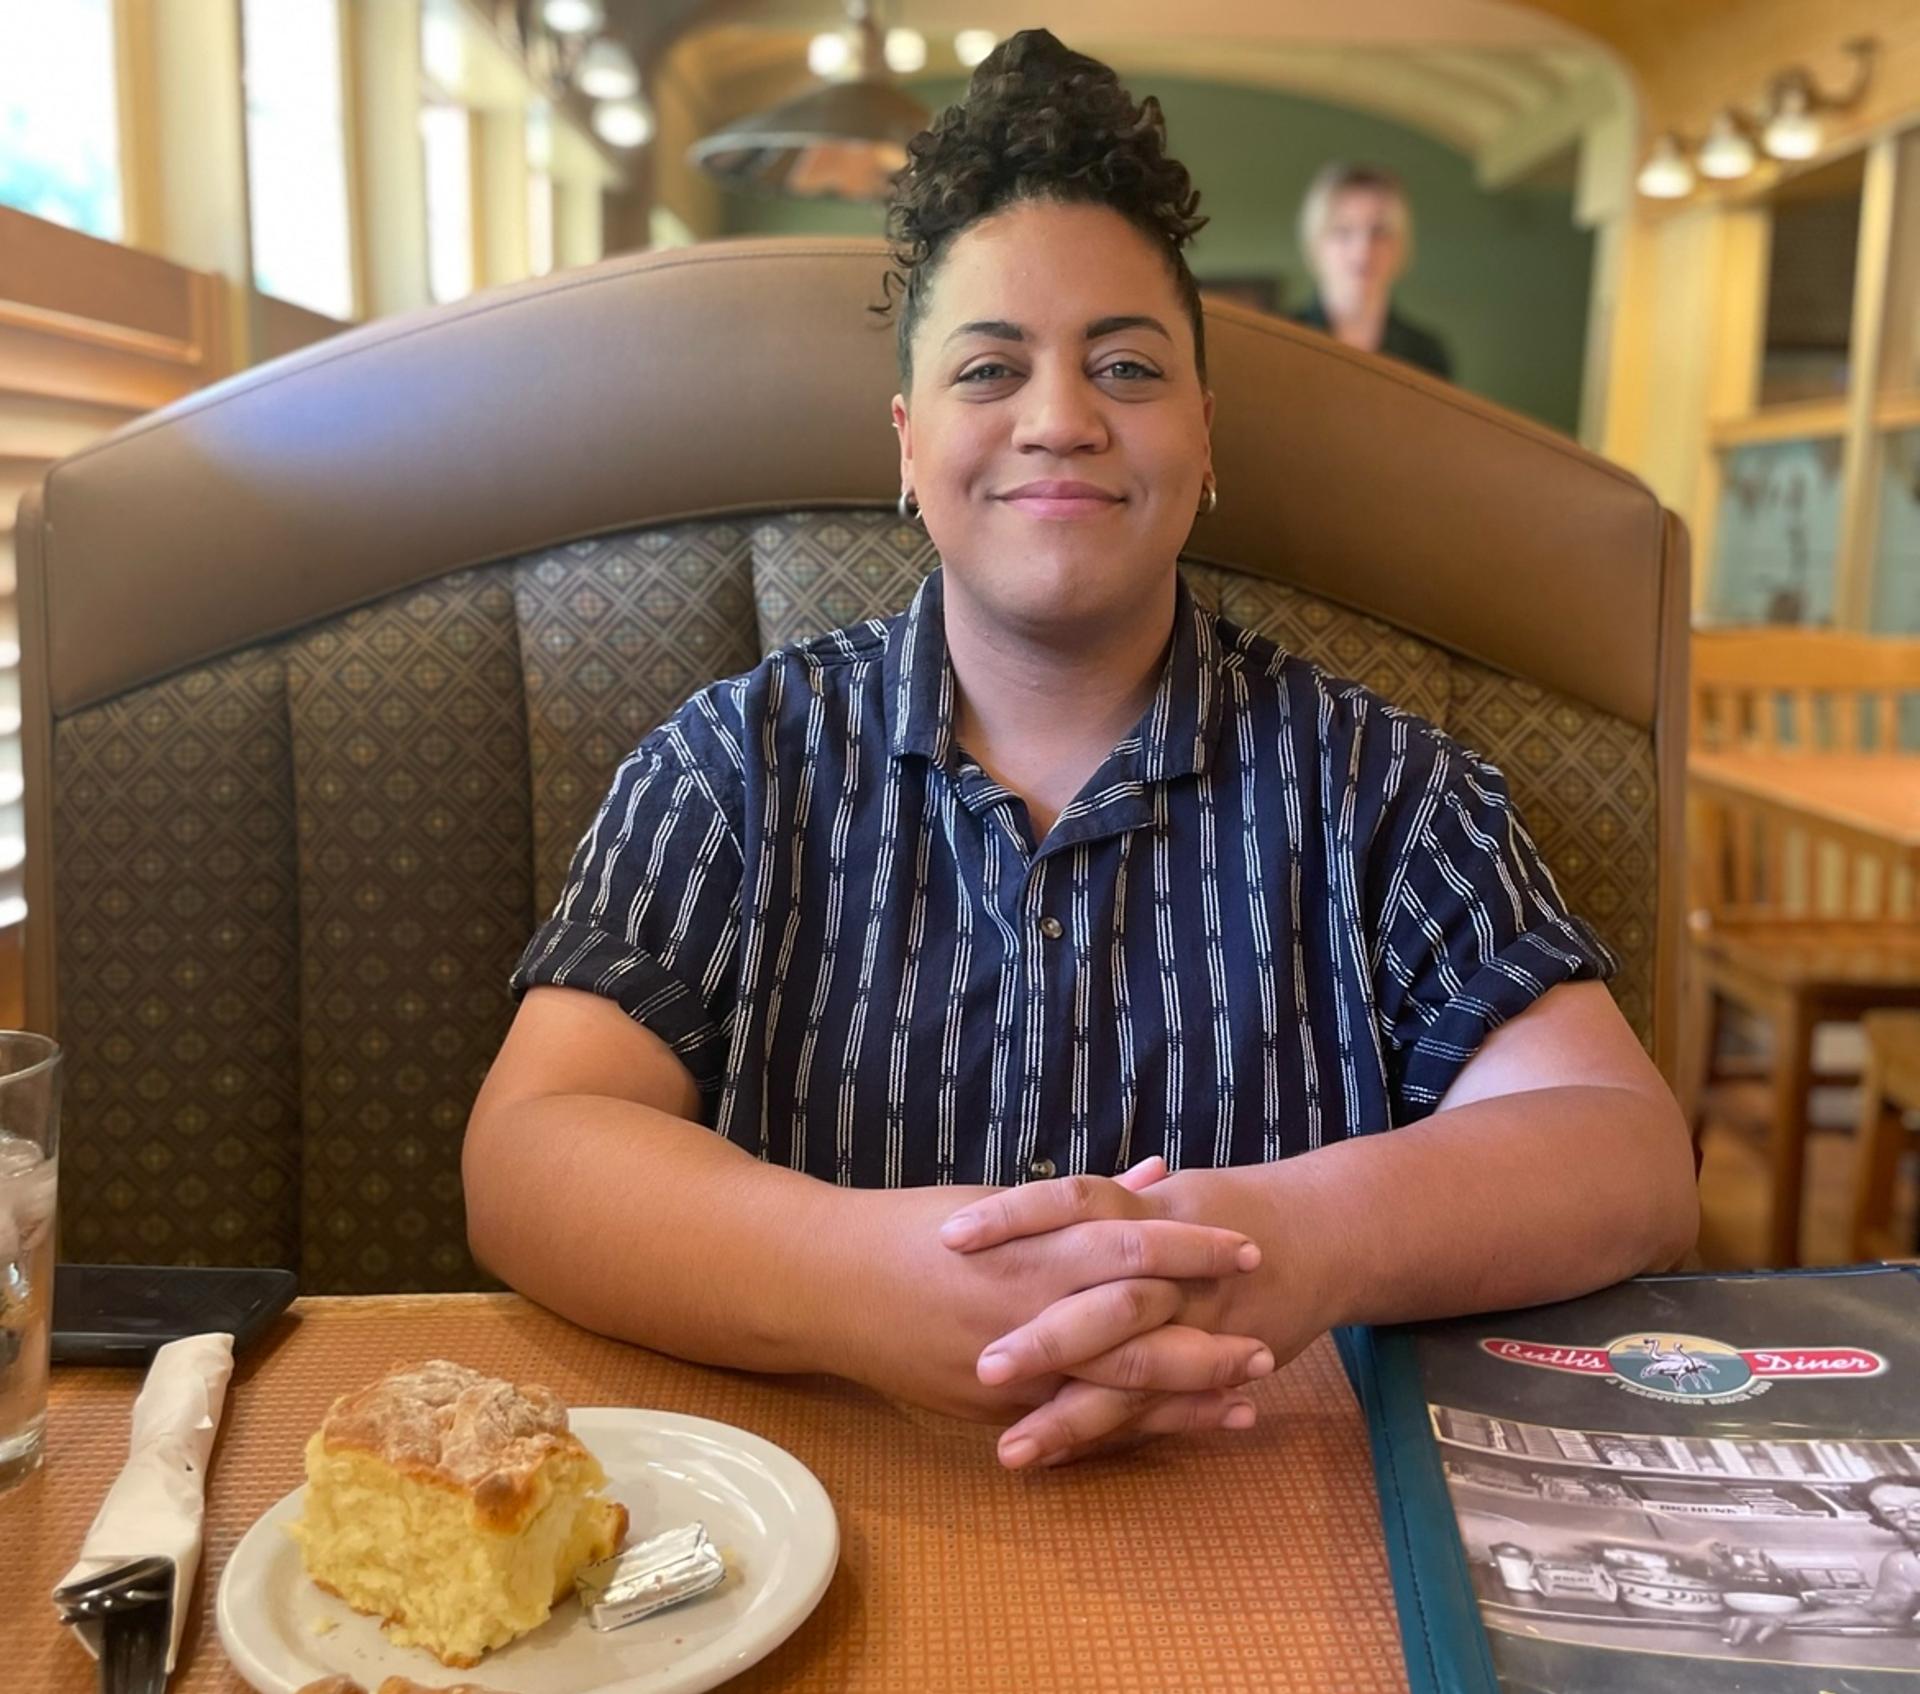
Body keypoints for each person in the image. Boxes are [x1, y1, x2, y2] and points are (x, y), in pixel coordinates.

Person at [463, 30, 1695, 1472]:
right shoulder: (731, 767)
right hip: (814, 1516)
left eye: (1125, 365)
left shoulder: (1383, 788)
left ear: (1204, 436)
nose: (1060, 419)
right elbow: (530, 1150)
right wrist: (853, 1275)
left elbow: (1623, 1152)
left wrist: (1287, 1237)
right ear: (910, 444)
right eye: (992, 369)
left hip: (1272, 1522)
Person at [1291, 161, 1452, 380]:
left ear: (1401, 244)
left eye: (1379, 231)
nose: (1363, 250)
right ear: (1315, 243)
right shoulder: (1277, 339)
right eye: (1343, 230)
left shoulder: (1428, 355)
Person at [1725, 1475, 1920, 1645]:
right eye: (1893, 1512)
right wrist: (1782, 1619)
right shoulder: (1905, 1564)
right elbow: (1879, 1614)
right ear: (1884, 1521)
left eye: (1918, 1506)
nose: (1911, 1517)